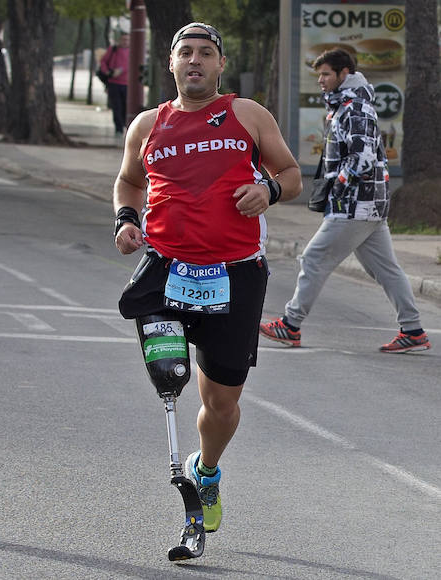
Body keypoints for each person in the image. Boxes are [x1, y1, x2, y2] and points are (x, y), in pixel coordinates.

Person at [114, 22, 302, 533]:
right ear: (171, 64)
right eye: (185, 53)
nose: (195, 61)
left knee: (221, 402)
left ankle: (208, 469)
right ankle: (185, 489)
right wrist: (126, 220)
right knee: (172, 378)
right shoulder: (148, 124)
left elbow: (291, 173)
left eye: (205, 54)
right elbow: (130, 181)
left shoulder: (247, 114)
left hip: (235, 274)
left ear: (220, 65)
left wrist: (269, 190)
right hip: (166, 271)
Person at [259, 49, 431, 354]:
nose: (321, 81)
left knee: (313, 258)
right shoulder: (348, 106)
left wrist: (337, 187)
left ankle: (290, 325)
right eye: (319, 75)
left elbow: (363, 157)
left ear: (344, 73)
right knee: (387, 269)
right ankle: (414, 330)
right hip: (367, 204)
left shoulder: (356, 108)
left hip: (355, 204)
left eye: (326, 74)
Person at [98, 32, 129, 135]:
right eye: (123, 39)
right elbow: (103, 61)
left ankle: (126, 126)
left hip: (127, 84)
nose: (125, 42)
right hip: (114, 83)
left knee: (126, 106)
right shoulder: (113, 50)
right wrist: (107, 71)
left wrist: (121, 70)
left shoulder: (132, 51)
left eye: (127, 40)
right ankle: (119, 128)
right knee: (116, 106)